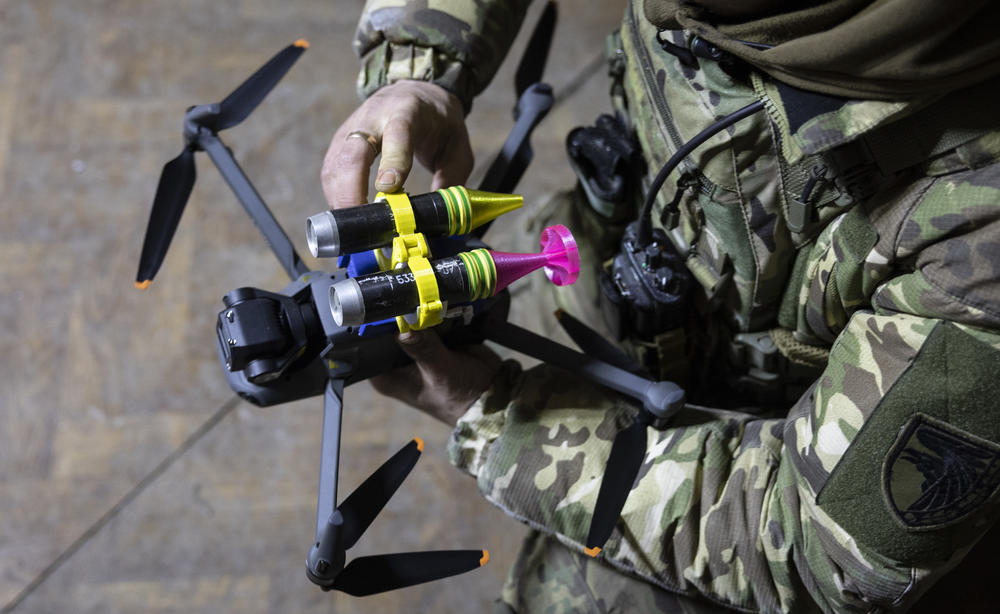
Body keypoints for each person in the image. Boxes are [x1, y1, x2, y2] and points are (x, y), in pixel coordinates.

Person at [320, 1, 1000, 612]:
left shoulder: (981, 218)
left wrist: (498, 421)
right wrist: (417, 68)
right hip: (624, 265)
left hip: (775, 463)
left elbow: (818, 550)